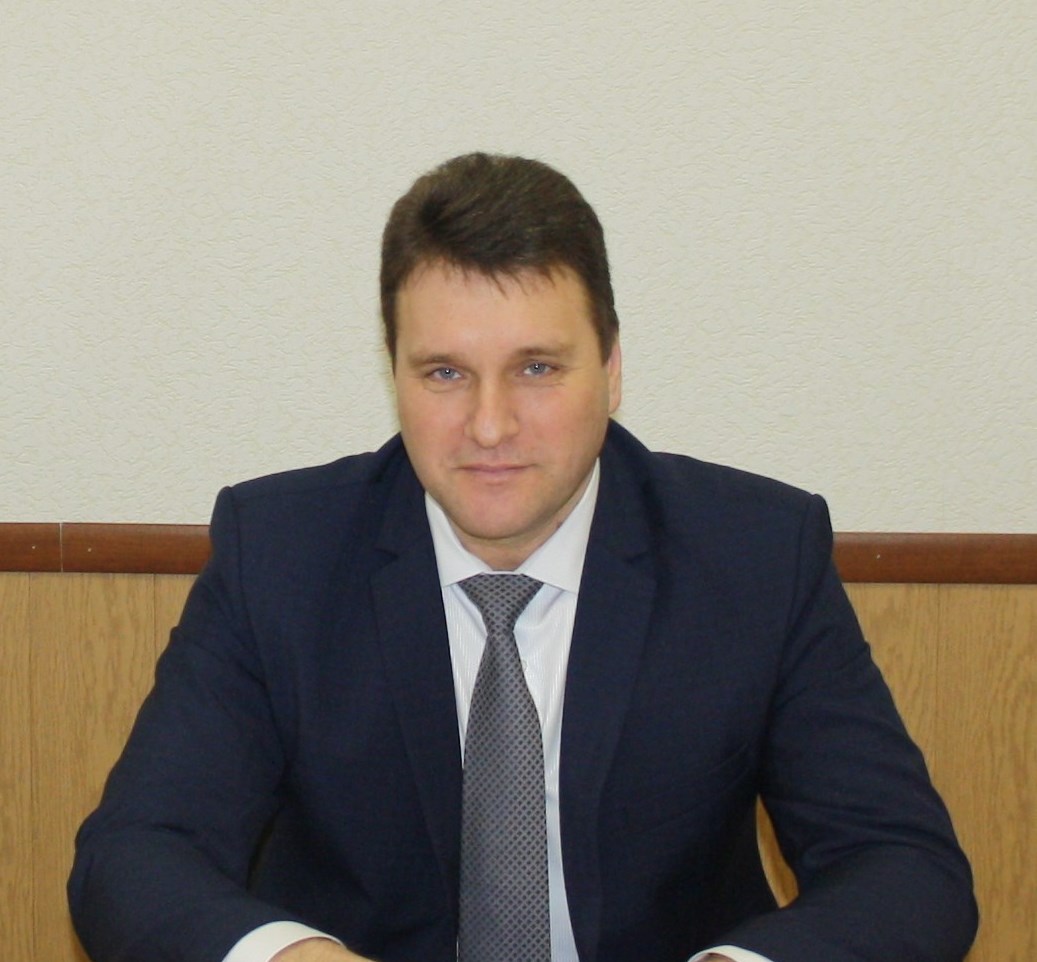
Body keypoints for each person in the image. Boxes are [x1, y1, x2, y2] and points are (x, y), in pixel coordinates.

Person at [69, 152, 977, 962]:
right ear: (394, 373)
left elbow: (903, 868)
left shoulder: (752, 556)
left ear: (610, 369)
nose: (490, 425)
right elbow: (135, 856)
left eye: (537, 368)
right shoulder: (280, 554)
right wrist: (293, 959)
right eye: (445, 373)